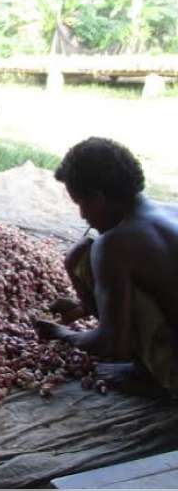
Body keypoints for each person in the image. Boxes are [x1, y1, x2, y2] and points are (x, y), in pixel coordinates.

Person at [34, 137, 178, 394]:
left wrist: (61, 333)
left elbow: (112, 344)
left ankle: (150, 372)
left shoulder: (114, 245)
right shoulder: (171, 210)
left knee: (86, 257)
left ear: (98, 198)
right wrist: (83, 308)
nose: (82, 215)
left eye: (80, 203)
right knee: (82, 254)